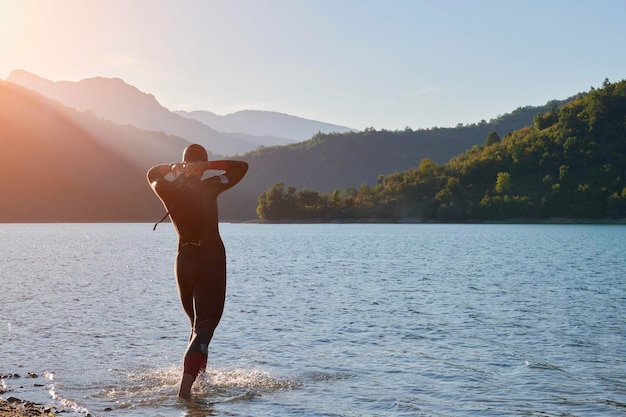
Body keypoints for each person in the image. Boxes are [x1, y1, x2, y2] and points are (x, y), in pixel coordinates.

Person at [147, 144, 248, 399]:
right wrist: (208, 167)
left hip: (183, 263)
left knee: (196, 327)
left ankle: (199, 381)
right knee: (205, 326)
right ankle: (184, 392)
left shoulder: (166, 188)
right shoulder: (209, 185)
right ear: (201, 165)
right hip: (210, 259)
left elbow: (151, 174)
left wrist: (172, 168)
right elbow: (241, 167)